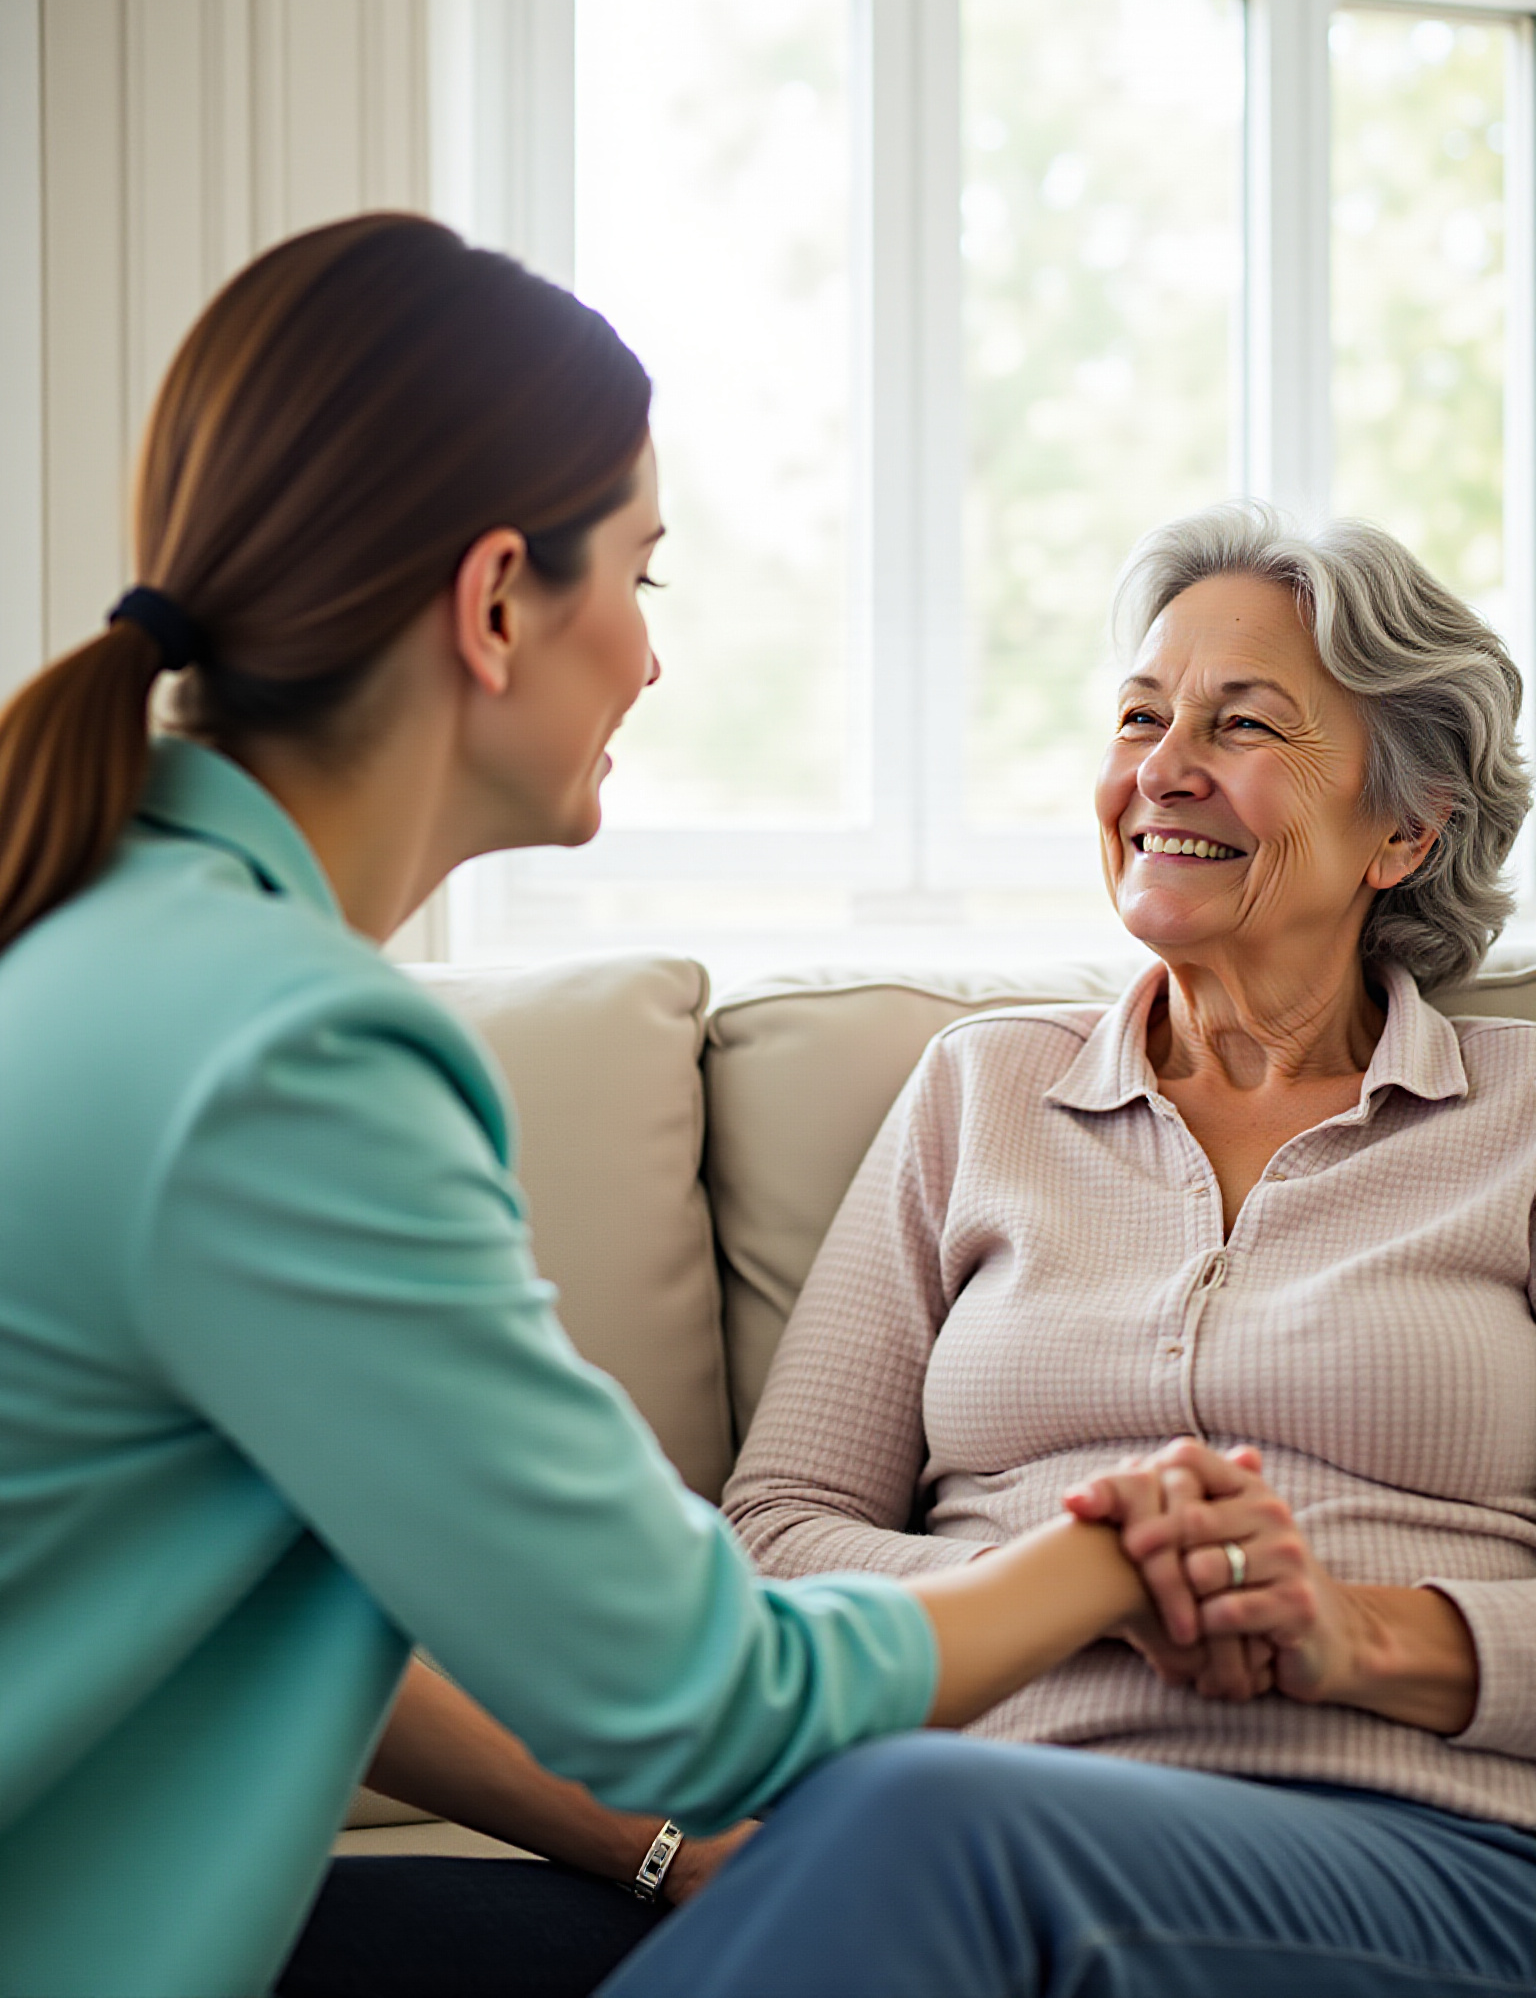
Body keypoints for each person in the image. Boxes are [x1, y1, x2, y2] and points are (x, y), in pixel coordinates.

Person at [0, 209, 1199, 1998]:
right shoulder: (293, 1060)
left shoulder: (97, 930)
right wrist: (1111, 1553)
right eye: (640, 574)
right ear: (496, 605)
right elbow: (701, 1700)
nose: (648, 655)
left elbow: (308, 1602)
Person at [724, 503, 1536, 1996]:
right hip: (988, 1804)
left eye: (1244, 725)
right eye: (1142, 717)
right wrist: (1082, 1581)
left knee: (919, 1828)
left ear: (1404, 829)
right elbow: (775, 1536)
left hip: (1427, 1845)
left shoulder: (1523, 1131)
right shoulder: (982, 1091)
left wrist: (1354, 1636)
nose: (1162, 768)